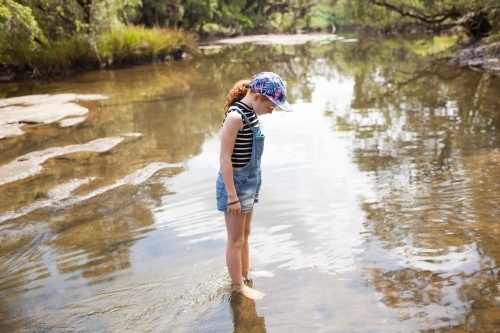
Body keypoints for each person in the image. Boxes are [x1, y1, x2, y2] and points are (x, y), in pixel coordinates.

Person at [216, 72, 292, 299]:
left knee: (245, 234)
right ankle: (238, 285)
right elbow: (224, 159)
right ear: (258, 96)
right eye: (272, 105)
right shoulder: (235, 117)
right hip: (235, 186)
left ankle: (246, 272)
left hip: (250, 182)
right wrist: (231, 196)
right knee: (235, 239)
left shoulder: (252, 113)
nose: (272, 110)